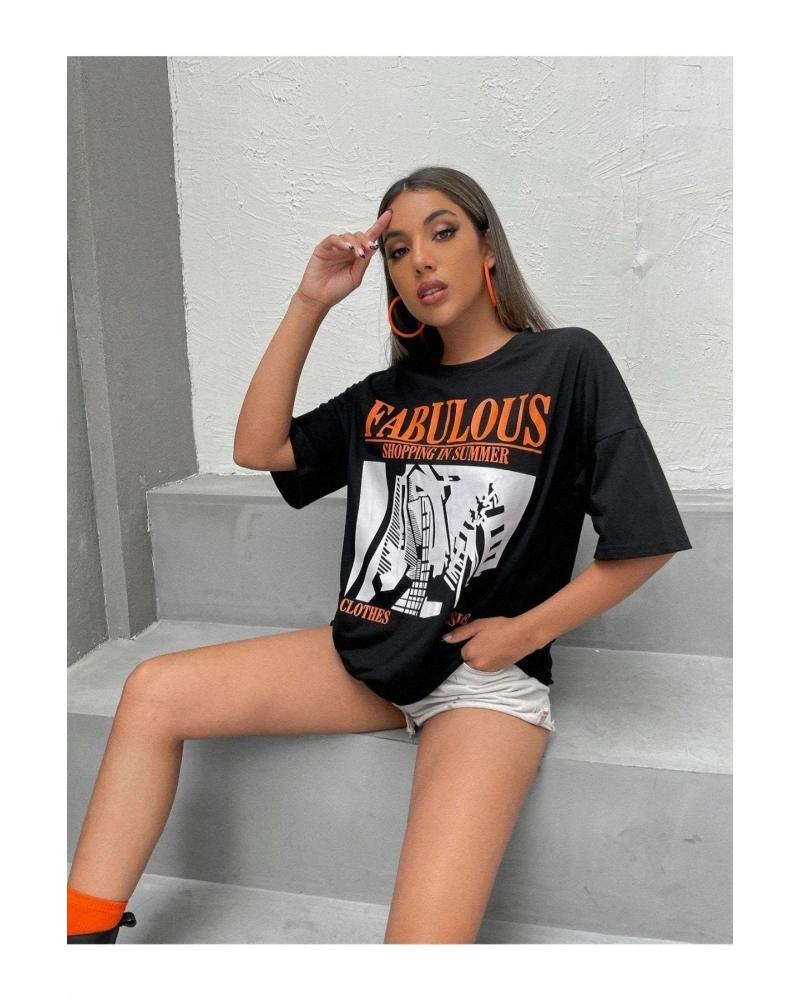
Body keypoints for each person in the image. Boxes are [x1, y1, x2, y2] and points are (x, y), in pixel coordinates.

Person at [65, 165, 692, 945]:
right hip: (366, 659)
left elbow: (644, 541)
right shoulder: (389, 395)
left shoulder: (567, 363)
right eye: (398, 250)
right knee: (153, 691)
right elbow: (259, 446)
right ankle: (78, 943)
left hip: (480, 685)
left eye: (442, 232)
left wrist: (523, 633)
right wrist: (311, 302)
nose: (420, 258)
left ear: (487, 248)